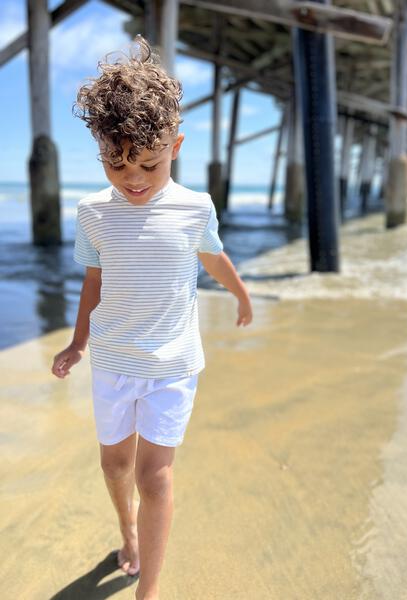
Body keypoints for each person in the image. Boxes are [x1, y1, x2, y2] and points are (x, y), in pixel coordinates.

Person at [50, 35, 253, 600]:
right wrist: (76, 343)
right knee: (116, 465)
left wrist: (240, 294)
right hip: (113, 359)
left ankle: (150, 590)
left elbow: (213, 257)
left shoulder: (195, 208)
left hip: (173, 363)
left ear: (176, 145)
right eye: (116, 163)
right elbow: (94, 282)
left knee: (153, 475)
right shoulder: (92, 213)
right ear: (99, 152)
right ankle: (127, 531)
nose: (133, 177)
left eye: (149, 162)